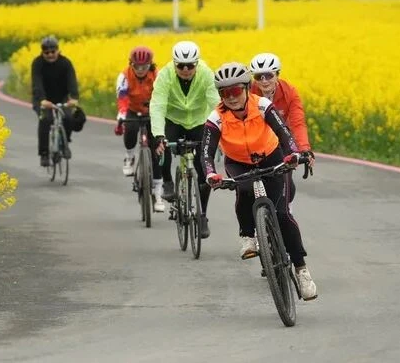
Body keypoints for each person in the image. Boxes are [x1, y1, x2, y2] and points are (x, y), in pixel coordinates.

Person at [202, 62, 317, 300]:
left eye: (235, 91)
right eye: (225, 93)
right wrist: (211, 173)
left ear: (246, 88)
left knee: (283, 214)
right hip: (238, 162)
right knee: (243, 190)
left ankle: (301, 269)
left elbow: (285, 132)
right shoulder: (217, 117)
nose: (231, 97)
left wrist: (293, 153)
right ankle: (248, 235)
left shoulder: (263, 105)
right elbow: (206, 152)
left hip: (271, 157)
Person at [150, 40, 220, 238]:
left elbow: (216, 103)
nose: (186, 69)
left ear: (197, 63)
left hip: (199, 120)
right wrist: (159, 135)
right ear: (174, 64)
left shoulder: (206, 73)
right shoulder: (164, 76)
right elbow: (157, 105)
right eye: (181, 65)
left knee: (204, 169)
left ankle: (202, 215)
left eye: (191, 65)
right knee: (163, 147)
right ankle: (167, 182)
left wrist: (223, 132)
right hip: (173, 120)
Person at [114, 46, 166, 212]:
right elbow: (122, 97)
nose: (141, 70)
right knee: (130, 128)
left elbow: (163, 95)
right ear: (132, 65)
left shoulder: (157, 75)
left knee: (156, 149)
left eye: (145, 67)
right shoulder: (124, 75)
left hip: (153, 110)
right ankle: (129, 157)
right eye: (137, 66)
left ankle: (158, 192)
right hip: (132, 108)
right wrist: (122, 114)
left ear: (150, 65)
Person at [249, 53, 314, 168]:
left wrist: (304, 149)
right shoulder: (248, 92)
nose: (264, 81)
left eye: (269, 76)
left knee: (286, 182)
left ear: (277, 75)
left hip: (280, 139)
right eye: (258, 77)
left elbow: (297, 123)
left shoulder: (289, 92)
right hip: (255, 140)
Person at [31, 36, 80, 167]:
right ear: (42, 53)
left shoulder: (66, 63)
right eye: (47, 53)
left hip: (61, 97)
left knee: (68, 117)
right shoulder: (37, 63)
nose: (50, 55)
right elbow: (37, 84)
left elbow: (72, 82)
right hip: (43, 98)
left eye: (53, 52)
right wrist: (42, 100)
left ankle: (65, 143)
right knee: (45, 120)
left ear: (58, 50)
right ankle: (44, 154)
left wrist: (74, 98)